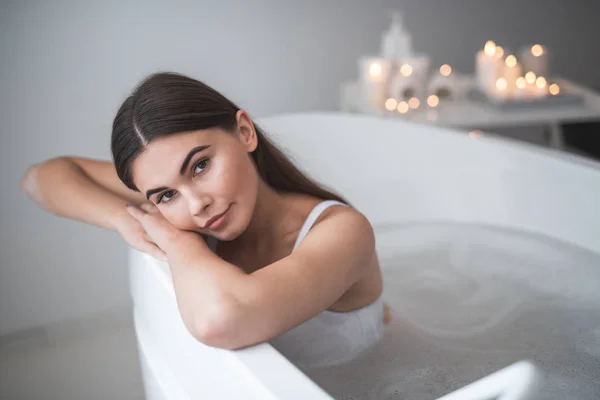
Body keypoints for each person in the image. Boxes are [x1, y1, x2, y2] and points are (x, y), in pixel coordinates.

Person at [20, 72, 391, 368]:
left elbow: (220, 319)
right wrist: (125, 220)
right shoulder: (185, 210)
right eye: (165, 194)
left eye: (200, 166)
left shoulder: (344, 230)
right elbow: (39, 179)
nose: (197, 204)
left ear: (245, 132)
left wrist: (178, 240)